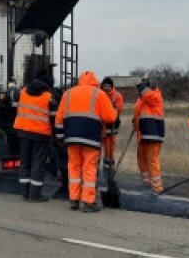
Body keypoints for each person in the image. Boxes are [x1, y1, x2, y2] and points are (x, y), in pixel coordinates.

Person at [55, 71, 117, 213]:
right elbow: (110, 117)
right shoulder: (99, 94)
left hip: (71, 138)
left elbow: (59, 118)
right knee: (89, 168)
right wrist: (113, 110)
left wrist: (59, 137)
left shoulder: (68, 94)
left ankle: (74, 199)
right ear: (94, 81)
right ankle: (89, 202)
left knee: (74, 167)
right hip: (91, 138)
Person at [13, 73, 55, 202]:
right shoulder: (48, 97)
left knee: (25, 163)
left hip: (23, 132)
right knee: (38, 164)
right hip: (40, 134)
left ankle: (25, 193)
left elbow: (13, 99)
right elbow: (53, 117)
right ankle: (34, 195)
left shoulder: (23, 92)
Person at [133, 78, 164, 194]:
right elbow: (138, 113)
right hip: (143, 135)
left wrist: (142, 86)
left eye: (143, 88)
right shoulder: (141, 100)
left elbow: (147, 96)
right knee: (142, 160)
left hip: (153, 134)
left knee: (152, 160)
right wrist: (135, 122)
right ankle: (147, 184)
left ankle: (157, 188)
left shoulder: (156, 96)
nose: (141, 90)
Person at [99, 77, 124, 185]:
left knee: (109, 156)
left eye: (109, 86)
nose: (107, 88)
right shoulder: (98, 94)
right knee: (95, 154)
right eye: (105, 86)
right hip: (100, 129)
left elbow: (117, 112)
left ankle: (109, 177)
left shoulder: (117, 96)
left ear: (112, 86)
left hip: (111, 130)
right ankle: (93, 176)